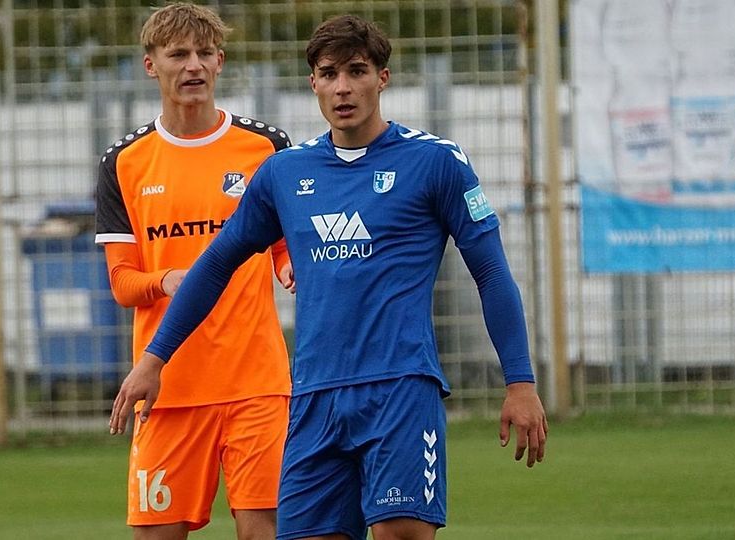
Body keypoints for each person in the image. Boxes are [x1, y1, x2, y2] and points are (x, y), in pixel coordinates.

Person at [110, 13, 548, 540]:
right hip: (314, 400)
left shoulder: (435, 162)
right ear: (312, 82)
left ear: (381, 78)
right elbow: (215, 266)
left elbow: (493, 273)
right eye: (329, 73)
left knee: (399, 533)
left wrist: (519, 383)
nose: (343, 87)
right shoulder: (285, 173)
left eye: (357, 71)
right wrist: (155, 359)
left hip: (399, 390)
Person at [95, 3, 294, 539]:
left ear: (221, 62)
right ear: (150, 65)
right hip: (169, 386)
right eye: (178, 54)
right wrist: (165, 280)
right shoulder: (124, 162)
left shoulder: (266, 148)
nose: (193, 66)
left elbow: (283, 247)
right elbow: (121, 282)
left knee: (268, 529)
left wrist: (294, 268)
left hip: (257, 383)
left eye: (204, 53)